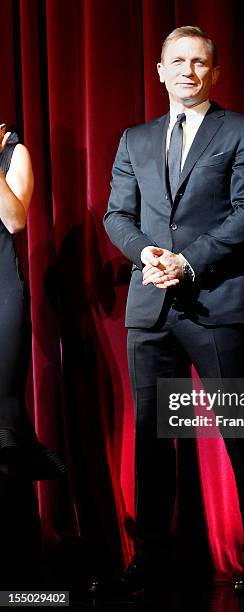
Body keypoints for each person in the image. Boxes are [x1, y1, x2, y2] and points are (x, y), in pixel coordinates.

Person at [103, 26, 244, 595]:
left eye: (200, 63)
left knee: (242, 434)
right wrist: (146, 253)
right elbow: (116, 216)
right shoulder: (135, 139)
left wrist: (187, 262)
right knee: (151, 438)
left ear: (215, 74)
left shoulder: (242, 130)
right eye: (177, 61)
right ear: (159, 70)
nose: (188, 71)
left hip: (216, 302)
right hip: (150, 306)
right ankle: (151, 558)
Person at [0, 122, 66, 588]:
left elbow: (15, 220)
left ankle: (19, 571)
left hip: (0, 295)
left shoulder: (12, 154)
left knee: (2, 426)